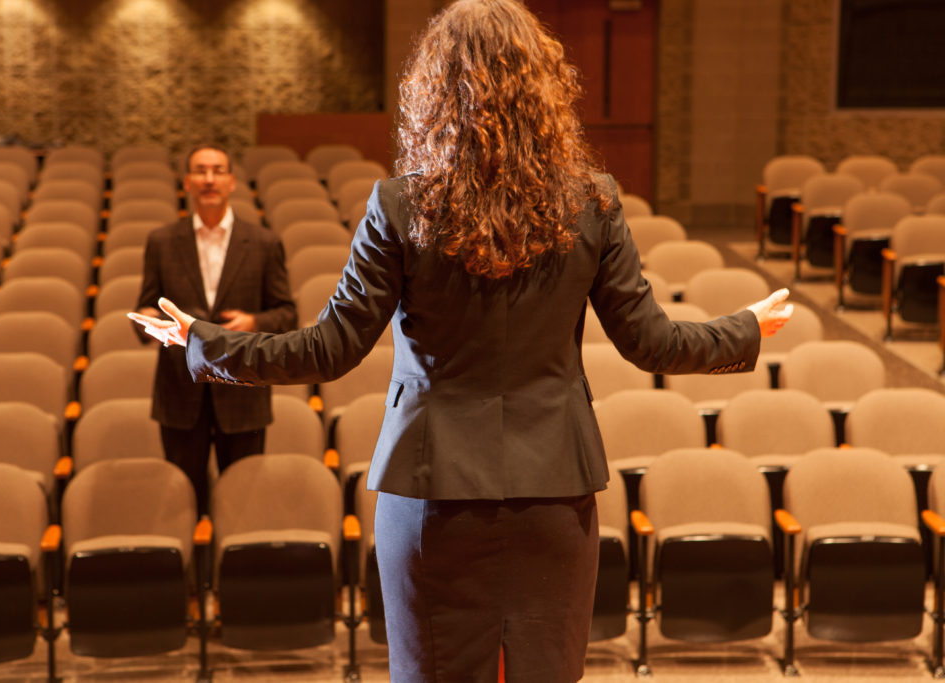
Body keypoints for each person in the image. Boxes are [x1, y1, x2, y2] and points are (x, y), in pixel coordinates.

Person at [130, 1, 792, 680]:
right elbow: (652, 343)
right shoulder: (593, 201)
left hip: (431, 495)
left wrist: (201, 341)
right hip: (553, 493)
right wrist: (744, 327)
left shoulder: (398, 205)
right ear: (543, 89)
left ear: (434, 92)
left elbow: (329, 348)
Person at [134, 143, 296, 516]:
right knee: (182, 506)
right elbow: (145, 307)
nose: (209, 179)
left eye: (218, 171)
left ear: (232, 181)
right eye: (200, 171)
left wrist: (254, 323)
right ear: (186, 182)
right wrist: (153, 324)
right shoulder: (161, 241)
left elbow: (287, 315)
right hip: (180, 391)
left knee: (243, 505)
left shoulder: (264, 242)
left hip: (243, 390)